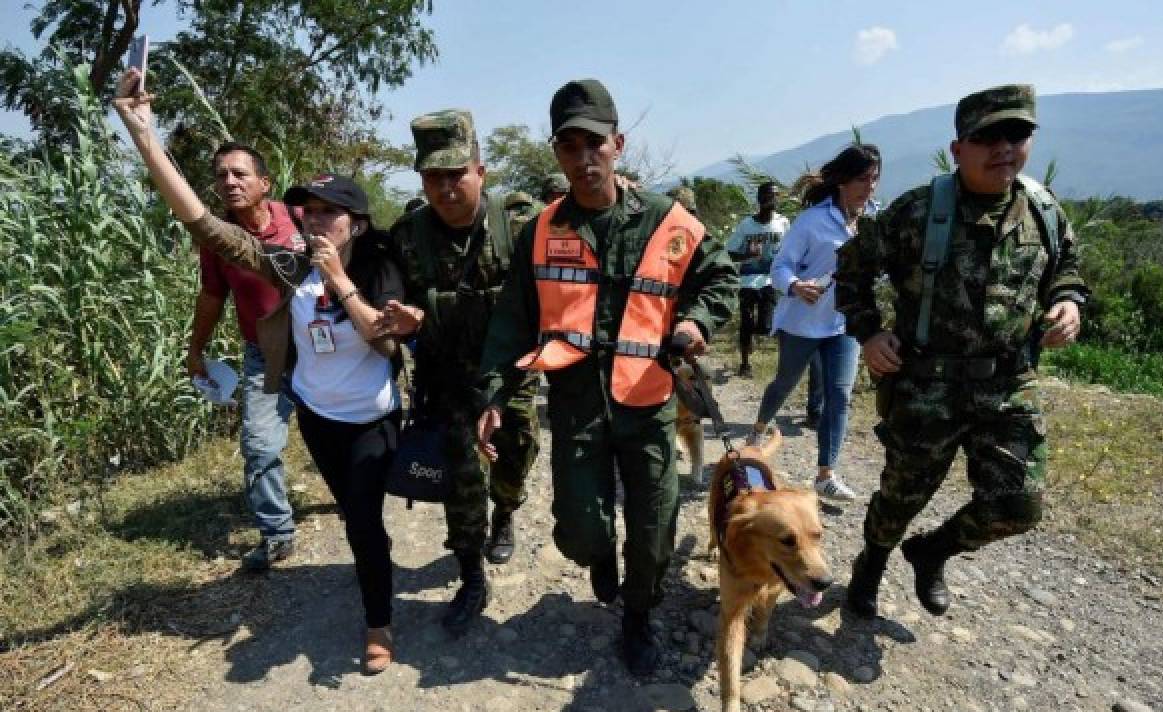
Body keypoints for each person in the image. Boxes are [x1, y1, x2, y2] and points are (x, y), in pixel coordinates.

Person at [113, 68, 420, 674]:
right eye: (309, 211)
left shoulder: (380, 267)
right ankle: (366, 573)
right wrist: (143, 134)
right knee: (354, 511)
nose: (315, 221)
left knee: (363, 521)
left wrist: (336, 276)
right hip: (318, 415)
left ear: (356, 224)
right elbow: (204, 222)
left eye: (332, 213)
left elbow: (381, 337)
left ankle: (378, 621)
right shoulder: (286, 263)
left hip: (371, 419)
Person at [475, 79, 738, 676]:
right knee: (579, 532)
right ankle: (600, 561)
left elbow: (720, 277)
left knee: (653, 530)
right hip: (577, 405)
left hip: (649, 405)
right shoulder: (540, 230)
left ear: (617, 144)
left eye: (594, 143)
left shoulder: (669, 222)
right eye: (570, 146)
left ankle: (639, 616)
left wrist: (696, 321)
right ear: (558, 154)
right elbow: (511, 319)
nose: (583, 157)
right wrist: (493, 392)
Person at [836, 85, 1087, 619]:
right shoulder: (919, 212)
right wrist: (870, 333)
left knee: (1018, 504)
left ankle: (933, 552)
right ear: (958, 149)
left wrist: (1068, 303)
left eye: (1015, 135)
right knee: (900, 497)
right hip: (927, 385)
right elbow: (851, 269)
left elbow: (1066, 267)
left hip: (1007, 384)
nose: (1003, 148)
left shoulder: (1042, 211)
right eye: (986, 137)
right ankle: (873, 561)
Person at [384, 110, 541, 635]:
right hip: (446, 377)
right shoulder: (407, 236)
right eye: (434, 177)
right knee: (460, 479)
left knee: (515, 455)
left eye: (457, 175)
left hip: (510, 375)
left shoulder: (521, 223)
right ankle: (471, 575)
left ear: (482, 171)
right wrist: (403, 317)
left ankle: (506, 511)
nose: (446, 188)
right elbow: (381, 287)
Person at [186, 142, 305, 572]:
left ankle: (355, 501)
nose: (229, 182)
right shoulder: (217, 239)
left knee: (337, 436)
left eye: (239, 174)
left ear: (265, 183)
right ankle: (277, 533)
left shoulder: (298, 219)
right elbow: (212, 295)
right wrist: (195, 349)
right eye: (221, 175)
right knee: (259, 444)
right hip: (263, 357)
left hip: (317, 351)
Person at [745, 146, 882, 504]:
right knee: (785, 382)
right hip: (802, 323)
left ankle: (825, 474)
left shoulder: (873, 221)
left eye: (873, 179)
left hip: (843, 324)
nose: (868, 187)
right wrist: (794, 286)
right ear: (841, 181)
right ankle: (758, 431)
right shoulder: (812, 222)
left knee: (840, 395)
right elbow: (780, 267)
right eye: (860, 179)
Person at [726, 183, 792, 382]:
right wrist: (747, 254)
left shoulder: (783, 223)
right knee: (746, 323)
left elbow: (791, 249)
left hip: (772, 280)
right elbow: (729, 252)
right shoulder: (746, 225)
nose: (772, 200)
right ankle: (745, 364)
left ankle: (755, 337)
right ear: (760, 199)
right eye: (768, 196)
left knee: (765, 325)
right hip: (747, 280)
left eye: (775, 196)